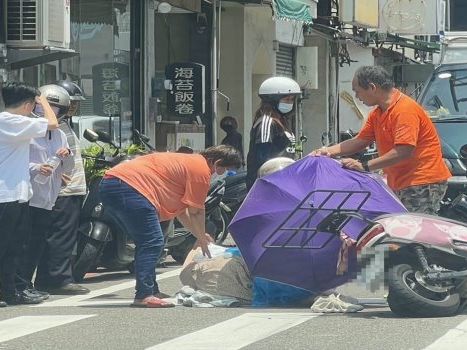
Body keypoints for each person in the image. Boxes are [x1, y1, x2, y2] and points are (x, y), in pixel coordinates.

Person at [98, 145, 242, 308]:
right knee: (152, 241)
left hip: (113, 184)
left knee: (150, 241)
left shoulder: (190, 162)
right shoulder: (200, 170)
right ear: (218, 163)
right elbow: (196, 211)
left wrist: (199, 235)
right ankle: (144, 295)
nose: (223, 174)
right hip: (129, 187)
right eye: (225, 170)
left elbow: (182, 212)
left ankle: (151, 290)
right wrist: (202, 238)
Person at [311, 65, 451, 214]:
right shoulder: (378, 113)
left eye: (357, 91)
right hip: (399, 181)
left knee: (414, 232)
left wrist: (364, 166)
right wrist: (327, 151)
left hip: (422, 181)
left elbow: (403, 151)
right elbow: (360, 141)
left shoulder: (404, 110)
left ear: (372, 87)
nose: (357, 97)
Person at [0, 82, 59, 306]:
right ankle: (7, 291)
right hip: (6, 196)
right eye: (33, 105)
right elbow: (53, 123)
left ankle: (8, 292)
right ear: (27, 105)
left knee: (13, 247)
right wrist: (41, 98)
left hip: (17, 194)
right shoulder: (11, 121)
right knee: (6, 247)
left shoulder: (13, 122)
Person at [16, 85, 75, 299]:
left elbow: (68, 168)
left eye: (55, 109)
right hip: (28, 196)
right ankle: (18, 285)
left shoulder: (60, 135)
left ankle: (26, 285)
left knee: (37, 244)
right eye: (44, 107)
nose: (49, 112)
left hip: (48, 197)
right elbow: (15, 162)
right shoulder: (28, 130)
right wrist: (36, 168)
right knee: (22, 244)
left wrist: (66, 156)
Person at [34, 81, 90, 295]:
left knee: (60, 236)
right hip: (62, 190)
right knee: (60, 236)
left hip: (69, 188)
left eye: (76, 103)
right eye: (71, 103)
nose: (74, 107)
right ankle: (58, 279)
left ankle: (50, 278)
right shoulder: (48, 126)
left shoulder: (64, 123)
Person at [246, 76, 301, 190]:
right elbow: (263, 157)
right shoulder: (266, 122)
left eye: (291, 100)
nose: (290, 103)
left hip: (284, 180)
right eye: (286, 100)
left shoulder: (284, 122)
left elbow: (293, 150)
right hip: (268, 184)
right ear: (273, 100)